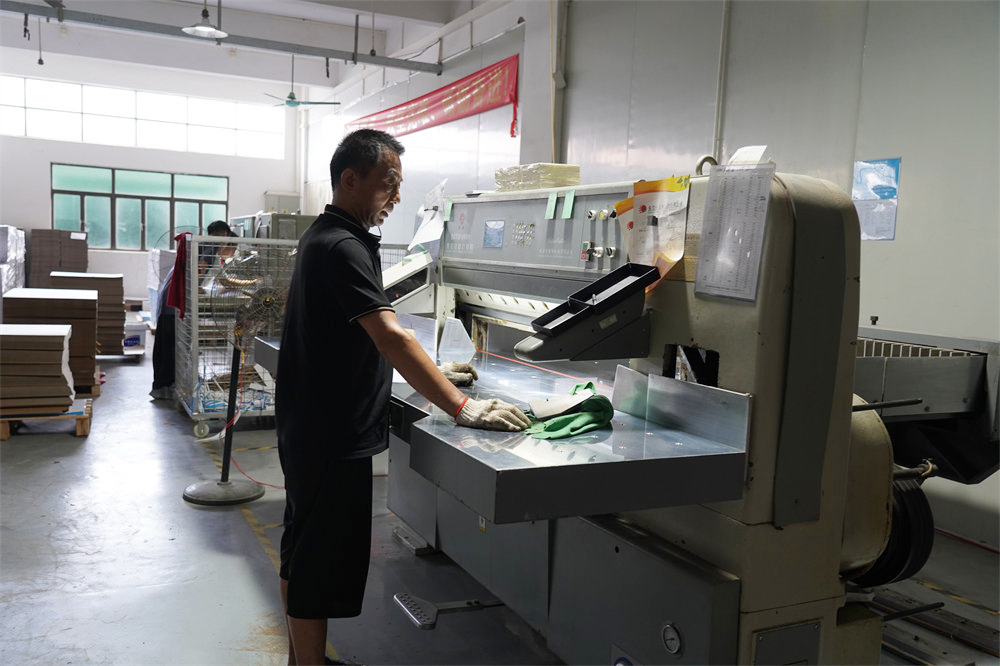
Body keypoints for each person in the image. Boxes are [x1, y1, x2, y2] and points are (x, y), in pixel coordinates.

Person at [275, 129, 530, 666]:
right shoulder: (342, 246)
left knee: (301, 551)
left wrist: (435, 373)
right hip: (330, 437)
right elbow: (391, 335)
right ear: (350, 179)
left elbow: (357, 339)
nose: (395, 196)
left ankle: (302, 661)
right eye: (387, 183)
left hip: (311, 428)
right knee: (316, 563)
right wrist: (462, 406)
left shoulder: (327, 235)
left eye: (398, 184)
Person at [150, 221, 238, 399]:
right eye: (233, 249)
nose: (231, 254)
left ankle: (162, 386)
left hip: (169, 297)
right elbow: (199, 271)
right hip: (174, 303)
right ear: (225, 237)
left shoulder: (203, 245)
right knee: (171, 347)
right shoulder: (211, 247)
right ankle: (165, 387)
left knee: (166, 346)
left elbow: (218, 277)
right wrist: (202, 289)